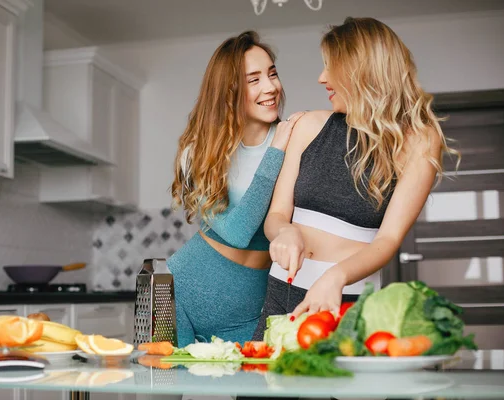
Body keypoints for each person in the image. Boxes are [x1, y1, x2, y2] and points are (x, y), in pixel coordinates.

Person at [253, 17, 460, 339]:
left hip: (346, 302)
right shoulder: (309, 125)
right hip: (281, 294)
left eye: (329, 66)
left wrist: (335, 277)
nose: (321, 78)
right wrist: (285, 231)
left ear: (359, 70)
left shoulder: (419, 141)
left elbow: (388, 240)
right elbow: (276, 214)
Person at [168, 30, 305, 347]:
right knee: (163, 390)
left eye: (272, 74)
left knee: (260, 393)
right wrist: (275, 153)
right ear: (229, 90)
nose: (270, 87)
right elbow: (237, 232)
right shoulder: (198, 151)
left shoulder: (295, 140)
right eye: (253, 79)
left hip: (250, 309)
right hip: (179, 294)